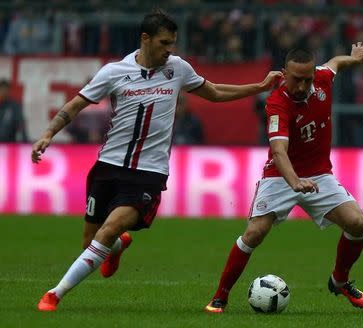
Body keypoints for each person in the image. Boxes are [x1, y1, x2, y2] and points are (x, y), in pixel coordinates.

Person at [32, 11, 282, 312]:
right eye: (164, 43)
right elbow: (75, 105)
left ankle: (54, 294)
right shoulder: (114, 72)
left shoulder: (177, 69)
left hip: (147, 173)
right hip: (107, 167)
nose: (170, 49)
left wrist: (258, 87)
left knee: (108, 228)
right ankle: (119, 245)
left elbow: (213, 92)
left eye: (173, 43)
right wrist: (47, 134)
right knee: (91, 241)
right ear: (145, 39)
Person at [205, 42, 363, 313]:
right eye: (296, 79)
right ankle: (220, 295)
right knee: (255, 232)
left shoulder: (321, 78)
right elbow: (279, 151)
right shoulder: (277, 103)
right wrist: (294, 181)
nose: (301, 86)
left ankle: (339, 280)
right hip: (280, 177)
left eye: (307, 80)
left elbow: (335, 62)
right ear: (284, 74)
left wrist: (354, 59)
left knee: (357, 223)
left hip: (319, 175)